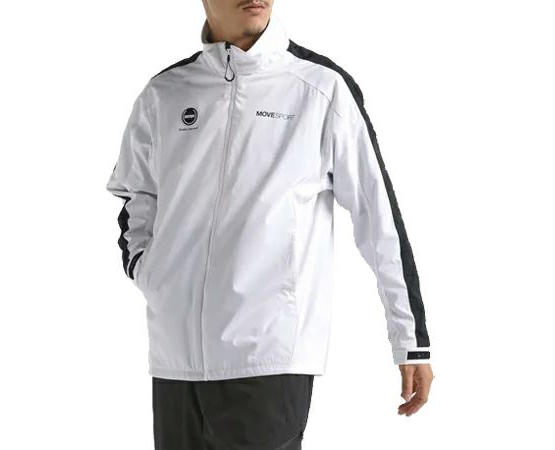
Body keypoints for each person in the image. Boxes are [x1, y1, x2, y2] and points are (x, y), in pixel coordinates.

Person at [105, 0, 434, 448]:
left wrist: (409, 339)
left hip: (269, 355)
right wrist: (151, 271)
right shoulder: (165, 93)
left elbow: (378, 217)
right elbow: (136, 195)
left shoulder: (319, 87)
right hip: (174, 358)